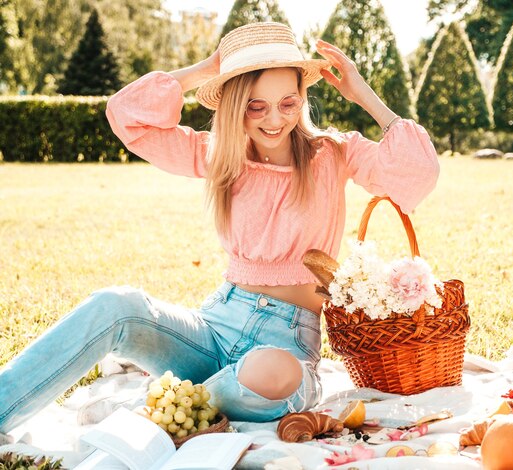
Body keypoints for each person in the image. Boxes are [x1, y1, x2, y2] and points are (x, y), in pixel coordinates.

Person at [0, 22, 439, 433]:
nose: (274, 119)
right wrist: (209, 69)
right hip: (212, 329)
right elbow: (126, 115)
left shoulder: (334, 153)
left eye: (288, 102)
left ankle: (154, 410)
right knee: (115, 305)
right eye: (256, 106)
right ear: (234, 104)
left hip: (284, 345)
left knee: (274, 373)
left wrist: (364, 95)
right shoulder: (219, 154)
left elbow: (416, 174)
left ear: (303, 97)